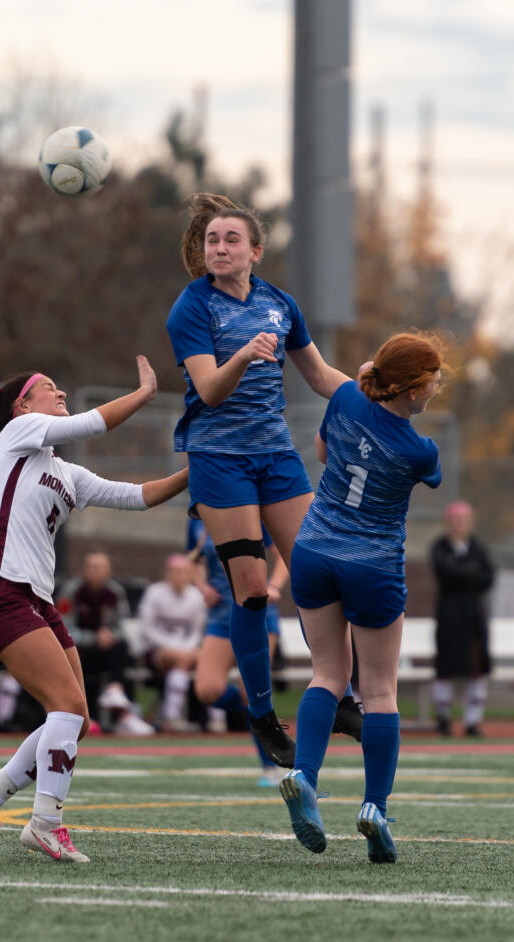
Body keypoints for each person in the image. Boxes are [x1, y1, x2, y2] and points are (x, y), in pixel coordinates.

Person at [0, 359, 189, 864]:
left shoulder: (64, 471)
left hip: (35, 600)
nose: (60, 393)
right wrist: (145, 392)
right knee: (65, 705)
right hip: (0, 590)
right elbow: (92, 422)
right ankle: (45, 823)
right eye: (49, 389)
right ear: (22, 405)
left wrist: (196, 471)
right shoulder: (20, 433)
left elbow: (138, 497)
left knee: (77, 717)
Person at [165, 192, 359, 767]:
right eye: (211, 241)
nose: (219, 248)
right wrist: (246, 354)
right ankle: (263, 715)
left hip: (275, 453)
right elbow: (208, 390)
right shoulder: (191, 307)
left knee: (319, 574)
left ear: (256, 250)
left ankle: (340, 694)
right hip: (218, 459)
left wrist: (372, 393)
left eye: (230, 240)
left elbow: (321, 375)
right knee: (251, 590)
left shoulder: (280, 303)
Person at [278, 331, 445, 865]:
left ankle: (303, 772)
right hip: (371, 565)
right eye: (433, 382)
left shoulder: (347, 395)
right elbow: (429, 476)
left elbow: (324, 452)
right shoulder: (421, 450)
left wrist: (363, 378)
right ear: (413, 390)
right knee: (379, 691)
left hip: (313, 548)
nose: (436, 389)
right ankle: (374, 807)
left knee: (327, 674)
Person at [189, 519, 288, 783]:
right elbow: (195, 560)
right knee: (207, 690)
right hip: (221, 617)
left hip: (258, 614)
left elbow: (283, 555)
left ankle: (270, 766)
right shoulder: (198, 520)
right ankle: (253, 712)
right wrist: (201, 587)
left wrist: (275, 586)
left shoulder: (254, 515)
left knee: (251, 690)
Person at [58, 550, 153, 736]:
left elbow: (123, 626)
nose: (96, 571)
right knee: (79, 656)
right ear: (84, 570)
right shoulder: (71, 591)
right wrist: (94, 637)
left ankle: (116, 695)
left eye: (101, 567)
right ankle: (87, 717)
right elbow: (63, 627)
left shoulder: (115, 592)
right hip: (79, 650)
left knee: (121, 647)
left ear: (109, 570)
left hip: (107, 649)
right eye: (92, 567)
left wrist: (109, 635)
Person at [431, 501, 495, 737]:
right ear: (448, 523)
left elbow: (487, 577)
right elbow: (445, 573)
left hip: (474, 618)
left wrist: (463, 572)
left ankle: (472, 721)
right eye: (454, 520)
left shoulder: (478, 548)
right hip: (448, 618)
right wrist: (470, 572)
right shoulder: (440, 548)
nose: (458, 524)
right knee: (445, 668)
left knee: (477, 668)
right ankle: (444, 719)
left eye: (463, 519)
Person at [137, 553, 207, 732]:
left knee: (209, 660)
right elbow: (147, 629)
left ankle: (216, 717)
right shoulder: (154, 593)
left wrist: (186, 649)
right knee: (181, 659)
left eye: (183, 572)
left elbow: (197, 632)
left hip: (187, 650)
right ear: (166, 573)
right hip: (156, 650)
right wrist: (174, 648)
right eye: (175, 571)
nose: (179, 576)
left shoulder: (196, 597)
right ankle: (171, 717)